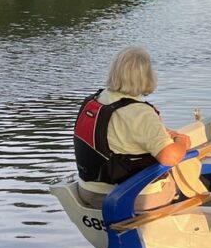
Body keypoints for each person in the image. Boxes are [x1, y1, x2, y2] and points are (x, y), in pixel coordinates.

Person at [73, 46, 192, 211]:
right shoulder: (140, 113)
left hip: (88, 192)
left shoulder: (97, 100)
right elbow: (169, 158)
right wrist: (181, 141)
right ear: (146, 76)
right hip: (128, 197)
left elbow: (117, 132)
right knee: (186, 178)